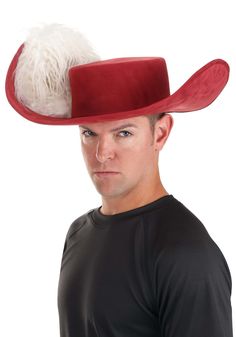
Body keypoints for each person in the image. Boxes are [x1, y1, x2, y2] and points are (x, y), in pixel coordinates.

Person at [5, 24, 233, 337]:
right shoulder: (79, 233)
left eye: (123, 133)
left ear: (161, 133)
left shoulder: (184, 252)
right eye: (89, 133)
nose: (101, 153)